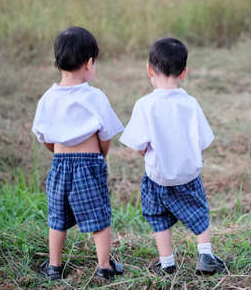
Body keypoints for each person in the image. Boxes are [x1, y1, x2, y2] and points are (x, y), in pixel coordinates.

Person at [120, 37, 226, 275]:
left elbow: (139, 144)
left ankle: (167, 263)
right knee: (199, 213)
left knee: (158, 219)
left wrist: (148, 154)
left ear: (149, 69)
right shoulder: (190, 103)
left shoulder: (145, 105)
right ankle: (205, 254)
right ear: (184, 73)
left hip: (157, 176)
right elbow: (202, 140)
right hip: (188, 176)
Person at [32, 27, 124, 281]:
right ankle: (104, 266)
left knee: (57, 216)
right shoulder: (95, 96)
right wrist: (100, 155)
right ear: (89, 63)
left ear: (56, 62)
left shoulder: (47, 98)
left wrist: (59, 152)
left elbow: (43, 137)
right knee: (99, 215)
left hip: (59, 164)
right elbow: (106, 136)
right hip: (89, 163)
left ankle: (54, 266)